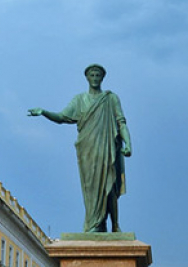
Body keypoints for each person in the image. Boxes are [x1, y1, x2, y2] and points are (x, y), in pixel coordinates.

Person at [28, 64, 132, 232]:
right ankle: (95, 223)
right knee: (90, 187)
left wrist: (128, 143)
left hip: (107, 147)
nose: (95, 78)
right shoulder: (79, 100)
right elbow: (62, 117)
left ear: (102, 78)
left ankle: (115, 225)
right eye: (92, 75)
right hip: (87, 149)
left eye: (98, 75)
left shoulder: (111, 99)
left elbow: (121, 122)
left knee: (109, 184)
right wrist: (44, 112)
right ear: (87, 77)